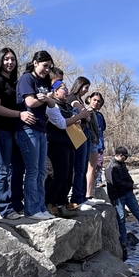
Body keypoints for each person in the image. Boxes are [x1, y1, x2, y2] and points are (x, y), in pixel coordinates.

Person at [0, 48, 33, 220]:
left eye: (13, 59)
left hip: (14, 131)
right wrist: (19, 115)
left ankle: (16, 203)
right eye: (6, 59)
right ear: (0, 60)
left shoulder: (14, 82)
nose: (10, 62)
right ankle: (5, 208)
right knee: (3, 169)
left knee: (18, 167)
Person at [16, 50, 58, 219]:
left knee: (42, 171)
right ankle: (31, 209)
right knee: (33, 170)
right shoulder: (27, 78)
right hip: (27, 129)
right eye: (44, 66)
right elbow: (30, 102)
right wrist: (45, 99)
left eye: (49, 67)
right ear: (35, 62)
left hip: (41, 129)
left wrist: (46, 98)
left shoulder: (45, 80)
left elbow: (53, 103)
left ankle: (40, 207)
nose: (47, 70)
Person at [45, 79, 90, 217]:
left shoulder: (66, 105)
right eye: (63, 88)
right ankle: (48, 203)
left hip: (69, 142)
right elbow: (61, 123)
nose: (66, 90)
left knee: (68, 176)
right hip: (56, 143)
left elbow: (72, 121)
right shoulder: (52, 105)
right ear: (55, 91)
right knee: (59, 176)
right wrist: (79, 116)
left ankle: (61, 205)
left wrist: (76, 119)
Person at [64, 76, 92, 206]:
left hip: (83, 133)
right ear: (79, 86)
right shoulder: (72, 98)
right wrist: (84, 114)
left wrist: (85, 115)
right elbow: (85, 115)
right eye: (85, 87)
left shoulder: (79, 99)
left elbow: (88, 118)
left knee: (84, 167)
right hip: (76, 133)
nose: (87, 91)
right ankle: (76, 199)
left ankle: (82, 196)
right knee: (79, 167)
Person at [85, 92, 106, 197]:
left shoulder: (100, 115)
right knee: (90, 170)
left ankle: (92, 191)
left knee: (97, 171)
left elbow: (102, 130)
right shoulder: (86, 112)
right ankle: (87, 193)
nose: (96, 103)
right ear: (89, 99)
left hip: (100, 145)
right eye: (94, 100)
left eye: (99, 101)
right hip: (90, 145)